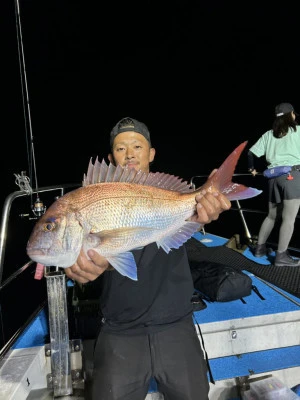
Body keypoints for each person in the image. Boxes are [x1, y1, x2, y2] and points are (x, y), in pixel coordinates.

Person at [65, 116, 231, 400]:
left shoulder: (171, 195)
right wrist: (78, 264)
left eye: (137, 146)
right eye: (120, 149)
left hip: (176, 325)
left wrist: (208, 207)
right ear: (111, 158)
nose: (129, 154)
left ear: (151, 153)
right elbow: (84, 260)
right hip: (119, 331)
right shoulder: (95, 199)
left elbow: (195, 214)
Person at [248, 102, 300, 267]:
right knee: (289, 218)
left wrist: (251, 169)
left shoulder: (268, 134)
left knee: (271, 215)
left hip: (272, 178)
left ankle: (260, 249)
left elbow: (251, 152)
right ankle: (281, 256)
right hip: (292, 176)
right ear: (291, 115)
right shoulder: (298, 131)